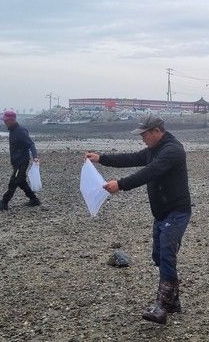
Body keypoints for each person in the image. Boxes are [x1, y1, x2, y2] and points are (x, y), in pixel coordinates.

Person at [85, 115, 191, 325]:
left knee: (167, 255)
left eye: (144, 134)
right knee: (159, 256)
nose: (142, 138)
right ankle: (173, 301)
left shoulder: (172, 150)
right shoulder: (154, 149)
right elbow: (132, 159)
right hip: (161, 213)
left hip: (176, 211)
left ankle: (161, 307)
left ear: (157, 131)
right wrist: (101, 158)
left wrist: (121, 185)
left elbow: (150, 172)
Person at [0, 110, 41, 211]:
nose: (4, 122)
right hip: (16, 162)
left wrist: (35, 156)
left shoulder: (21, 131)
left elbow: (31, 144)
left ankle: (4, 202)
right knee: (21, 181)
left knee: (14, 181)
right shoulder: (12, 130)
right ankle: (34, 200)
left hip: (22, 162)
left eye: (6, 121)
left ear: (11, 120)